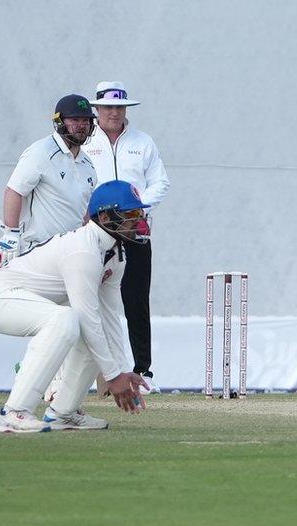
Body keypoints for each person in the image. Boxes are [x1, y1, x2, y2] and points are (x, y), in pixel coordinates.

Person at [0, 180, 150, 433]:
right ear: (105, 215)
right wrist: (112, 377)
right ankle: (13, 412)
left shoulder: (115, 255)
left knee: (89, 332)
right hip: (0, 296)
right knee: (66, 320)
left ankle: (63, 413)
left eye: (139, 214)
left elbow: (108, 317)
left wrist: (122, 370)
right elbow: (86, 316)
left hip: (25, 301)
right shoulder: (83, 250)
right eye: (130, 213)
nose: (138, 221)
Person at [84, 81, 170, 392]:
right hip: (95, 231)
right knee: (88, 299)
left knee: (135, 299)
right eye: (107, 108)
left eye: (119, 108)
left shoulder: (142, 142)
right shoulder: (85, 142)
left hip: (134, 230)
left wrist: (135, 206)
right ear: (97, 110)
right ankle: (98, 374)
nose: (114, 113)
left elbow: (161, 182)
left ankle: (142, 372)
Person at [0, 94, 98, 268]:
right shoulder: (41, 152)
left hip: (73, 253)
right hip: (38, 250)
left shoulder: (87, 164)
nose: (81, 126)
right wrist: (11, 234)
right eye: (74, 120)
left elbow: (84, 211)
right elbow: (13, 191)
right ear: (60, 122)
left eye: (86, 120)